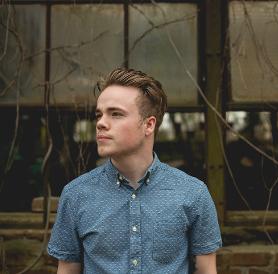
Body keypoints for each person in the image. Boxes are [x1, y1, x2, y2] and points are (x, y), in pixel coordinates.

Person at [48, 68, 222, 273]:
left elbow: (206, 271)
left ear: (149, 125)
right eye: (99, 114)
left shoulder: (193, 194)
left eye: (116, 114)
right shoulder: (76, 195)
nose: (101, 123)